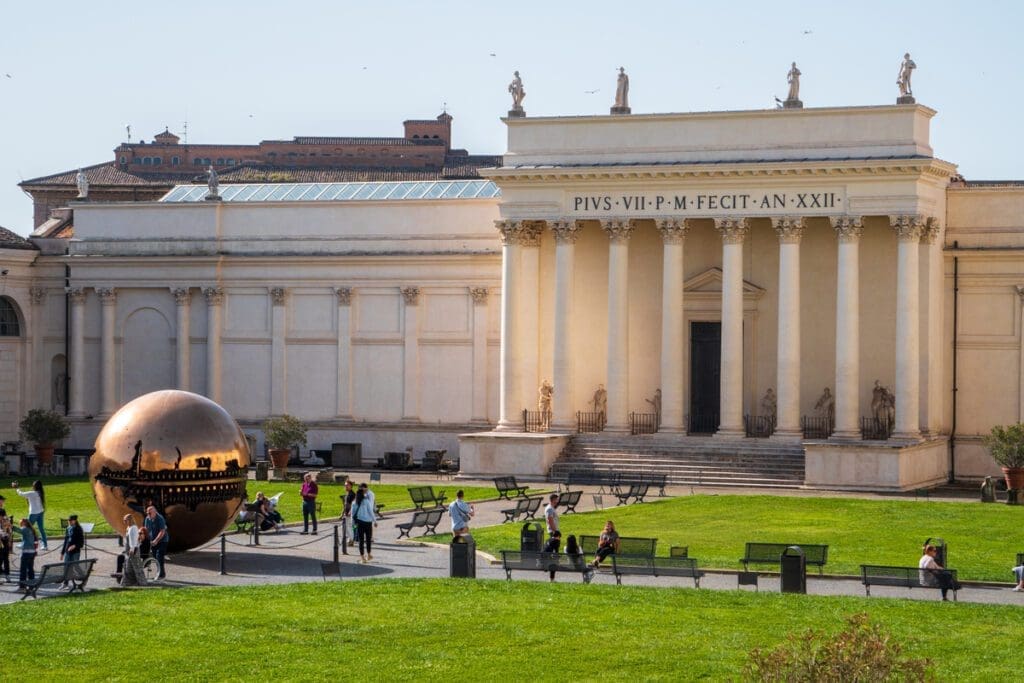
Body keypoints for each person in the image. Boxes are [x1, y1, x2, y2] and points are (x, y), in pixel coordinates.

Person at [15, 480, 47, 550]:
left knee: (26, 528)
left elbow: (21, 494)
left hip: (33, 513)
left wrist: (16, 487)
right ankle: (45, 545)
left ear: (34, 486)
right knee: (41, 529)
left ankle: (23, 543)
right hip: (40, 512)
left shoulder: (32, 493)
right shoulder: (40, 493)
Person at [352, 483, 378, 563]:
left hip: (360, 523)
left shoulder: (354, 503)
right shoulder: (366, 501)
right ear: (363, 494)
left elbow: (352, 515)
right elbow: (371, 512)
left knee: (361, 541)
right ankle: (369, 554)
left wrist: (353, 524)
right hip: (368, 522)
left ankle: (363, 558)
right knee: (368, 539)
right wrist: (375, 521)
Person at [59, 514, 85, 590]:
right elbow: (65, 541)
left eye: (71, 520)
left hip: (75, 551)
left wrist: (75, 546)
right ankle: (65, 583)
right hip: (68, 551)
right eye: (69, 520)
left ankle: (83, 578)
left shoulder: (78, 529)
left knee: (75, 565)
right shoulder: (68, 528)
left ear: (75, 521)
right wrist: (62, 552)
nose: (69, 522)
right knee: (66, 567)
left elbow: (81, 543)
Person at [121, 513, 147, 587]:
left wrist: (132, 549)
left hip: (133, 550)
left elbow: (134, 540)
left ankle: (142, 582)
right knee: (128, 567)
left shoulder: (133, 528)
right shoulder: (128, 528)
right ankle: (127, 583)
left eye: (125, 520)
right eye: (124, 520)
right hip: (128, 551)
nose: (124, 522)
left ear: (129, 520)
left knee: (136, 567)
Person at [11, 518, 37, 590]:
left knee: (23, 570)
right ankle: (31, 585)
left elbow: (18, 530)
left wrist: (10, 525)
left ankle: (22, 586)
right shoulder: (31, 529)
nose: (20, 525)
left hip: (26, 553)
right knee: (30, 569)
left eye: (20, 523)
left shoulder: (25, 529)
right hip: (32, 552)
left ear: (24, 523)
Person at [144, 505, 169, 580]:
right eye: (147, 513)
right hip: (153, 540)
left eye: (150, 513)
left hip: (162, 540)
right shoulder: (147, 519)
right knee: (155, 557)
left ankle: (162, 575)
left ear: (155, 512)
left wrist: (156, 540)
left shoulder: (160, 518)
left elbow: (162, 531)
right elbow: (146, 530)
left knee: (159, 556)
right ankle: (160, 573)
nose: (148, 514)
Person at [342, 480, 356, 547]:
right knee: (347, 527)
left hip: (350, 513)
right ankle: (349, 539)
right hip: (346, 512)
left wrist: (350, 512)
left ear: (350, 486)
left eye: (347, 485)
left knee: (349, 527)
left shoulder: (352, 494)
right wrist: (342, 513)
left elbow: (353, 504)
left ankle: (351, 540)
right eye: (345, 485)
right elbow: (345, 504)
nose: (345, 486)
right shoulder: (347, 493)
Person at [0, 496, 11, 583]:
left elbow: (6, 523)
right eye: (2, 500)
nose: (3, 502)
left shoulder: (2, 510)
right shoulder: (2, 511)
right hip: (2, 537)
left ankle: (7, 574)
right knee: (3, 557)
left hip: (4, 536)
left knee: (5, 557)